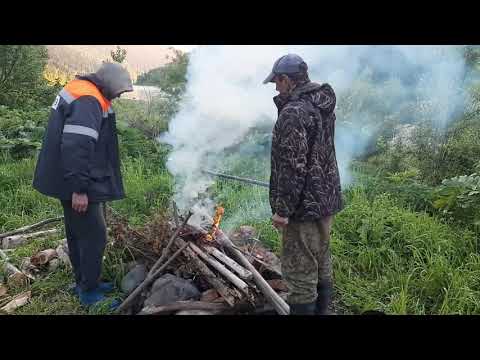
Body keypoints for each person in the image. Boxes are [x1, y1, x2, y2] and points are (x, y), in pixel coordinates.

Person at [33, 62, 133, 306]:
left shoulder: (83, 90)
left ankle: (84, 282)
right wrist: (79, 189)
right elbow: (77, 146)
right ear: (109, 84)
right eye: (121, 90)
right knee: (94, 235)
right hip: (74, 180)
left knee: (77, 232)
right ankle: (90, 294)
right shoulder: (88, 99)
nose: (121, 95)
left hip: (64, 176)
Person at [263, 54, 343, 315]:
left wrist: (283, 210)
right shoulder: (322, 105)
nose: (276, 87)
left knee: (299, 272)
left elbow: (292, 167)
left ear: (286, 80)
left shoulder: (293, 112)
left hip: (303, 207)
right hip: (325, 200)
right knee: (321, 260)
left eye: (277, 81)